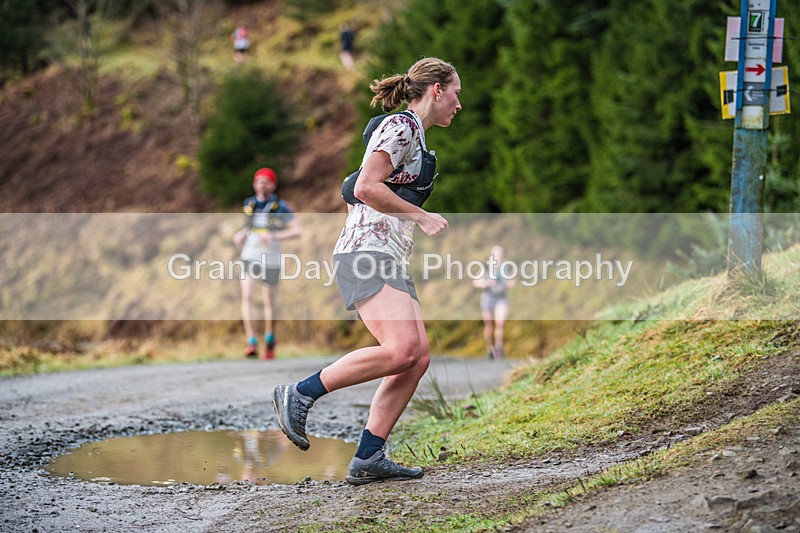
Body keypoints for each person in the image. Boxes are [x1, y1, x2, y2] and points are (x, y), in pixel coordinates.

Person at [272, 57, 461, 485]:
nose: (458, 103)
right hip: (366, 252)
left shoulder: (416, 137)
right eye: (456, 92)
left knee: (415, 359)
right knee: (401, 350)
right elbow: (364, 187)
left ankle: (369, 456)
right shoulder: (403, 127)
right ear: (436, 90)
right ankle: (301, 393)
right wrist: (421, 216)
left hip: (388, 254)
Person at [233, 168, 301, 359]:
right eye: (259, 181)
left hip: (271, 258)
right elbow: (250, 226)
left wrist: (274, 236)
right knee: (247, 295)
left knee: (268, 301)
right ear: (254, 184)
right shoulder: (249, 204)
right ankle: (251, 341)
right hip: (249, 256)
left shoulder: (281, 207)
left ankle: (269, 338)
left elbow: (297, 231)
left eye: (266, 181)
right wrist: (241, 234)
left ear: (273, 184)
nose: (262, 184)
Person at [473, 245, 514, 360]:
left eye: (500, 255)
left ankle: (499, 347)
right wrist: (486, 283)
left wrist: (508, 283)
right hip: (488, 298)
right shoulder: (486, 267)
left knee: (500, 323)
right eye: (496, 255)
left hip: (501, 298)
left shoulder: (506, 267)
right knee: (489, 325)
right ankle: (490, 349)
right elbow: (476, 282)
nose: (498, 257)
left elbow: (512, 281)